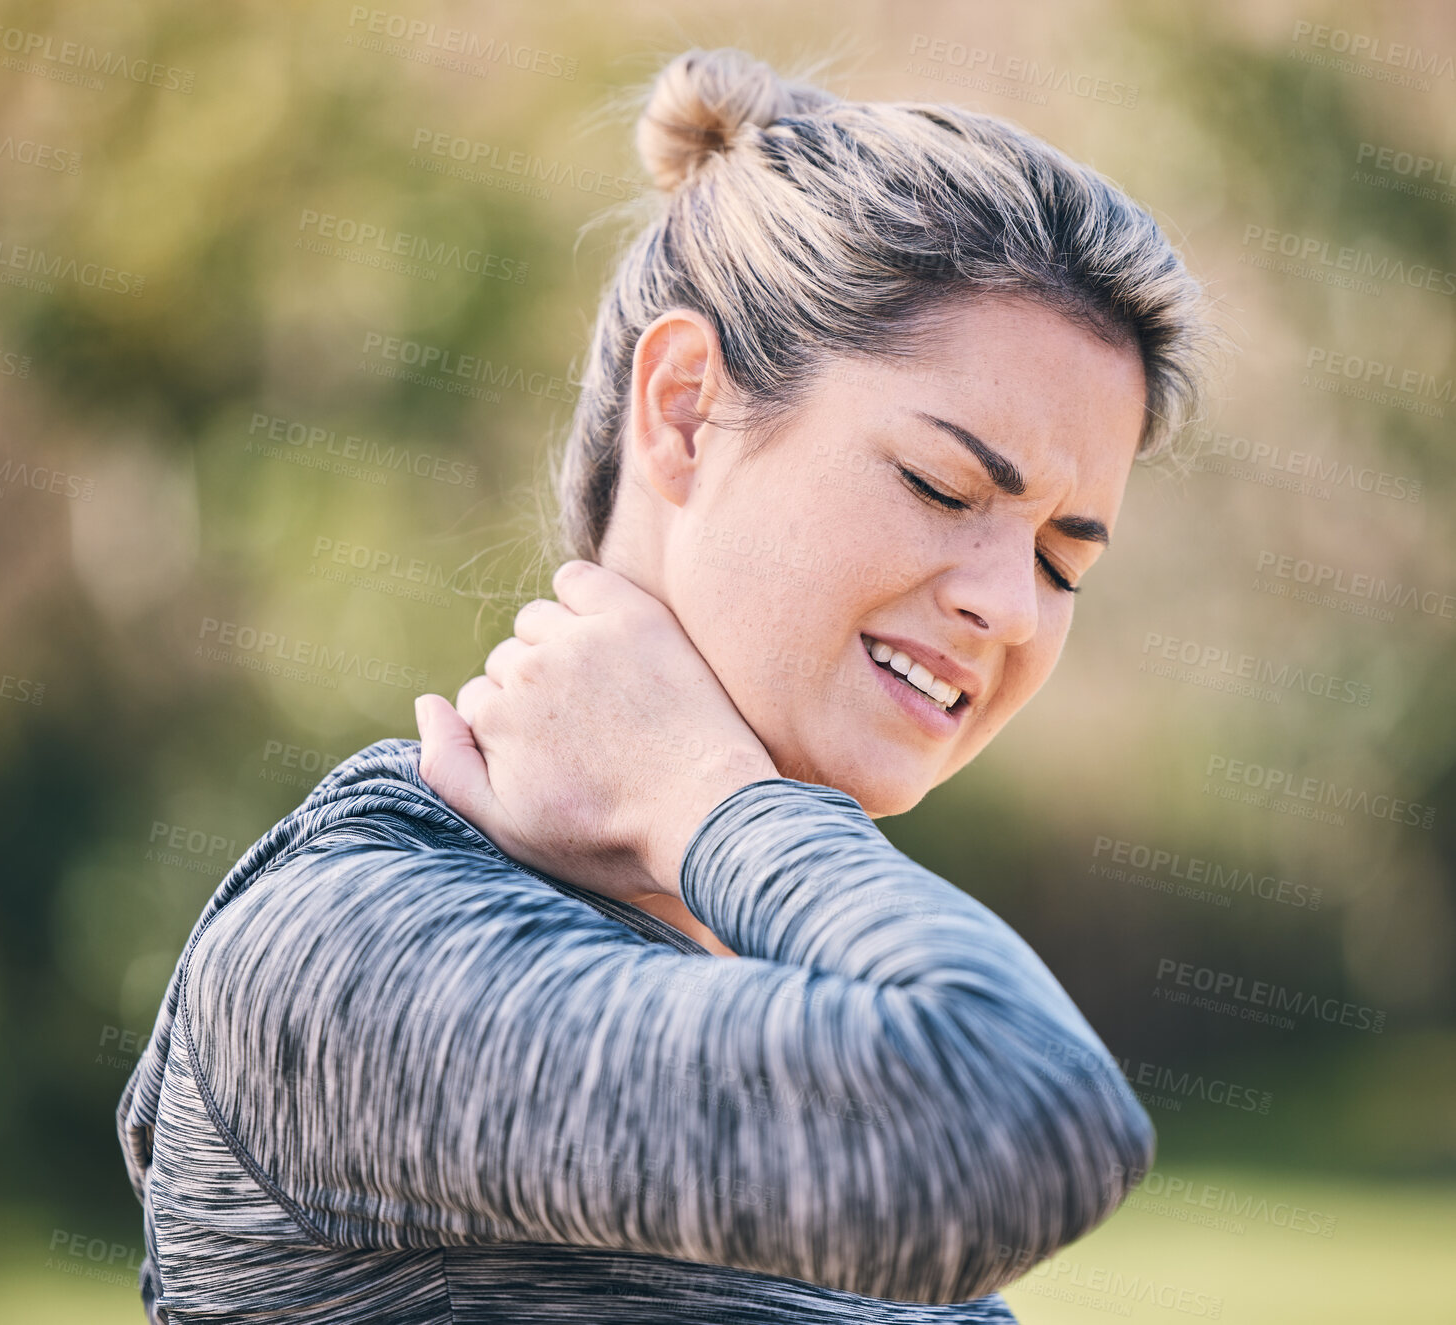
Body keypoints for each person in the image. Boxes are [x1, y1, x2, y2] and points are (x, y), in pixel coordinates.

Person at [117, 47, 1220, 1324]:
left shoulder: (808, 967)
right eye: (943, 487)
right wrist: (706, 791)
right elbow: (1031, 1118)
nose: (1009, 605)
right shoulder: (349, 941)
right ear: (687, 408)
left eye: (1060, 559)